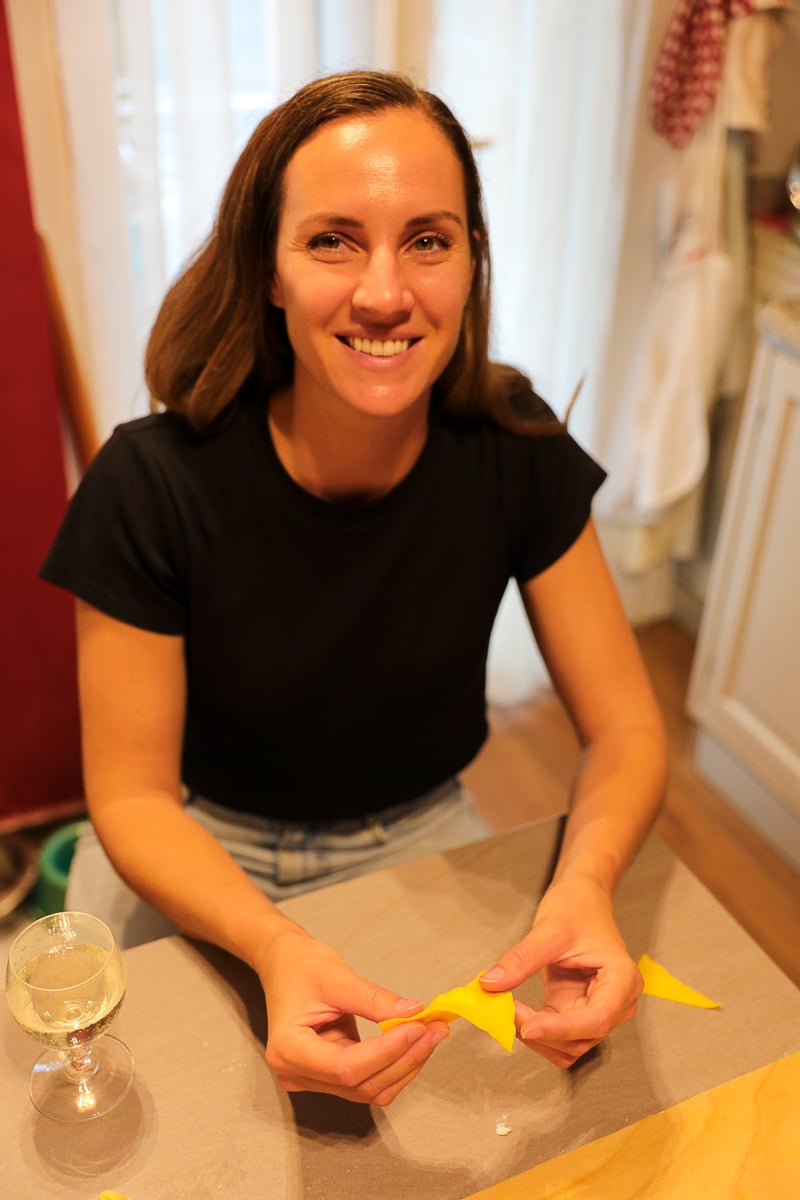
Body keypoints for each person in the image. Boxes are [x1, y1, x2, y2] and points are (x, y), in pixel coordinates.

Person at [41, 70, 668, 1106]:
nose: (384, 293)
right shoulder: (149, 481)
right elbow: (131, 798)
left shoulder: (511, 445)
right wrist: (273, 943)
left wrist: (585, 888)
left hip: (419, 831)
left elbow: (628, 731)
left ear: (471, 262)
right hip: (195, 839)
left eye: (427, 239)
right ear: (270, 271)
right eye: (332, 239)